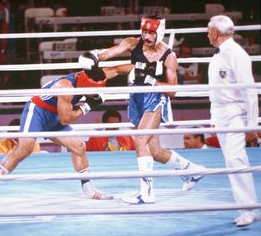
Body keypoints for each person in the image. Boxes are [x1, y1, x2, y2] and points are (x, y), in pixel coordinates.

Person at [79, 15, 206, 205]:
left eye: (150, 33)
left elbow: (172, 91)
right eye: (144, 31)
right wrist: (94, 55)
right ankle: (192, 171)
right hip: (136, 97)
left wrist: (151, 80)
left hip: (155, 98)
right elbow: (109, 53)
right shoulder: (133, 43)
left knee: (140, 140)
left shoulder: (168, 57)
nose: (146, 36)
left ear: (159, 33)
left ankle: (146, 193)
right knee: (154, 150)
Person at [0, 67, 113, 202]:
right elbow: (65, 119)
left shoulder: (90, 78)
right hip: (37, 112)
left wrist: (134, 66)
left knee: (79, 146)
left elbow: (118, 69)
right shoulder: (65, 87)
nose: (96, 93)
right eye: (94, 90)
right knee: (24, 149)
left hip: (54, 115)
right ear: (86, 84)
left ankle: (88, 189)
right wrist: (87, 106)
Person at [207, 15, 259, 227]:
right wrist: (213, 116)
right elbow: (217, 88)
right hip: (221, 113)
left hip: (235, 113)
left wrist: (251, 124)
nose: (207, 34)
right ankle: (249, 207)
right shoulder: (220, 54)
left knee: (236, 160)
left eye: (208, 30)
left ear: (214, 33)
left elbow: (249, 91)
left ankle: (247, 210)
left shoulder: (237, 54)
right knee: (234, 162)